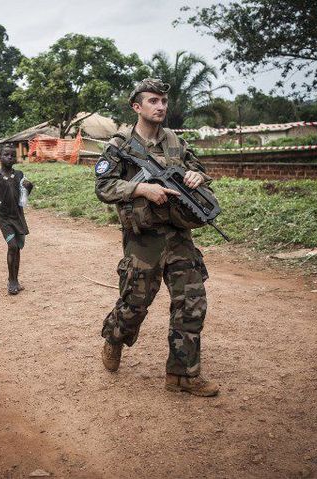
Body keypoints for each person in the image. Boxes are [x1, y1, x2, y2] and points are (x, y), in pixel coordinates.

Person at [94, 78, 219, 397]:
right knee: (135, 303)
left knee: (192, 303)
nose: (161, 106)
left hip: (179, 235)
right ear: (137, 106)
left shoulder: (176, 141)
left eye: (164, 100)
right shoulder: (119, 144)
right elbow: (104, 186)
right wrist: (139, 188)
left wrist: (197, 176)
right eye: (153, 100)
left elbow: (200, 170)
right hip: (143, 239)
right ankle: (115, 337)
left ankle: (183, 375)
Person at [0, 145, 33, 295]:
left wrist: (29, 187)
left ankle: (16, 280)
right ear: (0, 157)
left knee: (17, 247)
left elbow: (24, 196)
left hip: (18, 217)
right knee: (12, 246)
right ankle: (11, 281)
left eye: (13, 155)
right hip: (4, 218)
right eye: (6, 155)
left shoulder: (19, 174)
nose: (10, 157)